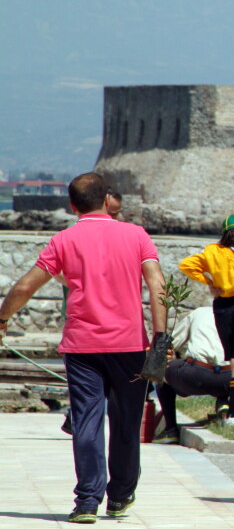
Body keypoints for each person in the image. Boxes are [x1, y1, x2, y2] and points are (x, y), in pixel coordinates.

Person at [0, 172, 167, 523]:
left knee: (88, 422)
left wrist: (2, 319)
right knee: (126, 423)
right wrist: (160, 336)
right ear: (108, 199)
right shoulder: (136, 235)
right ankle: (120, 497)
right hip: (130, 346)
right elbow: (157, 284)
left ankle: (88, 501)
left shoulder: (63, 240)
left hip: (83, 347)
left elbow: (25, 287)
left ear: (72, 205)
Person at [178, 214, 234, 425]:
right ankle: (233, 414)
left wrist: (208, 281)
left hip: (222, 308)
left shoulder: (213, 252)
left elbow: (186, 265)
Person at [156, 306, 232, 444]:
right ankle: (223, 402)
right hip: (228, 379)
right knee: (228, 367)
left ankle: (170, 430)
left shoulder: (199, 312)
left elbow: (172, 343)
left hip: (196, 375)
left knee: (161, 371)